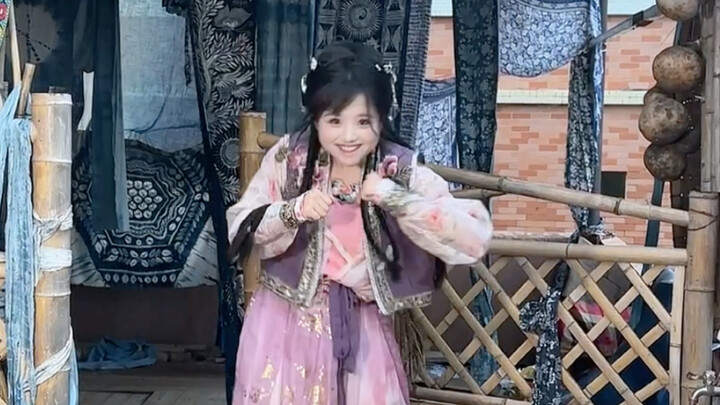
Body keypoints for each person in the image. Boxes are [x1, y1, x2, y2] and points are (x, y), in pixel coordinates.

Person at [226, 41, 493, 405]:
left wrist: (395, 198)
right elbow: (240, 224)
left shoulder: (398, 170)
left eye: (363, 121)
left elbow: (473, 237)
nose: (349, 136)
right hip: (283, 328)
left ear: (382, 118)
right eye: (334, 120)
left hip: (363, 331)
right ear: (315, 116)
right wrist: (293, 210)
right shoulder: (290, 159)